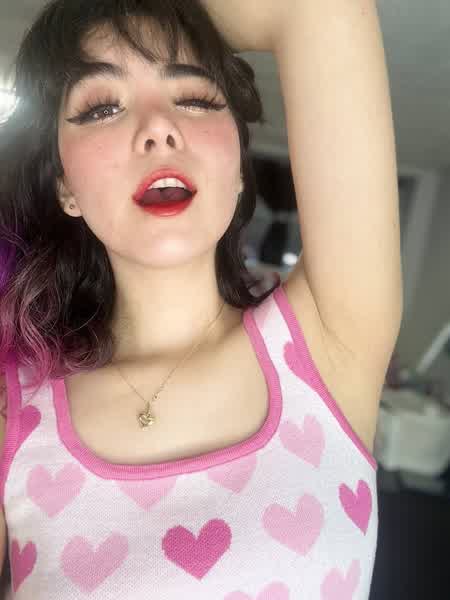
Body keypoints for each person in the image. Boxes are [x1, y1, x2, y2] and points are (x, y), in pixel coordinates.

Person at [0, 0, 403, 597]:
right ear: (66, 187)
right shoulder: (11, 412)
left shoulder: (329, 341)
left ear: (238, 166)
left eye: (194, 98)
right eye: (102, 107)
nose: (158, 128)